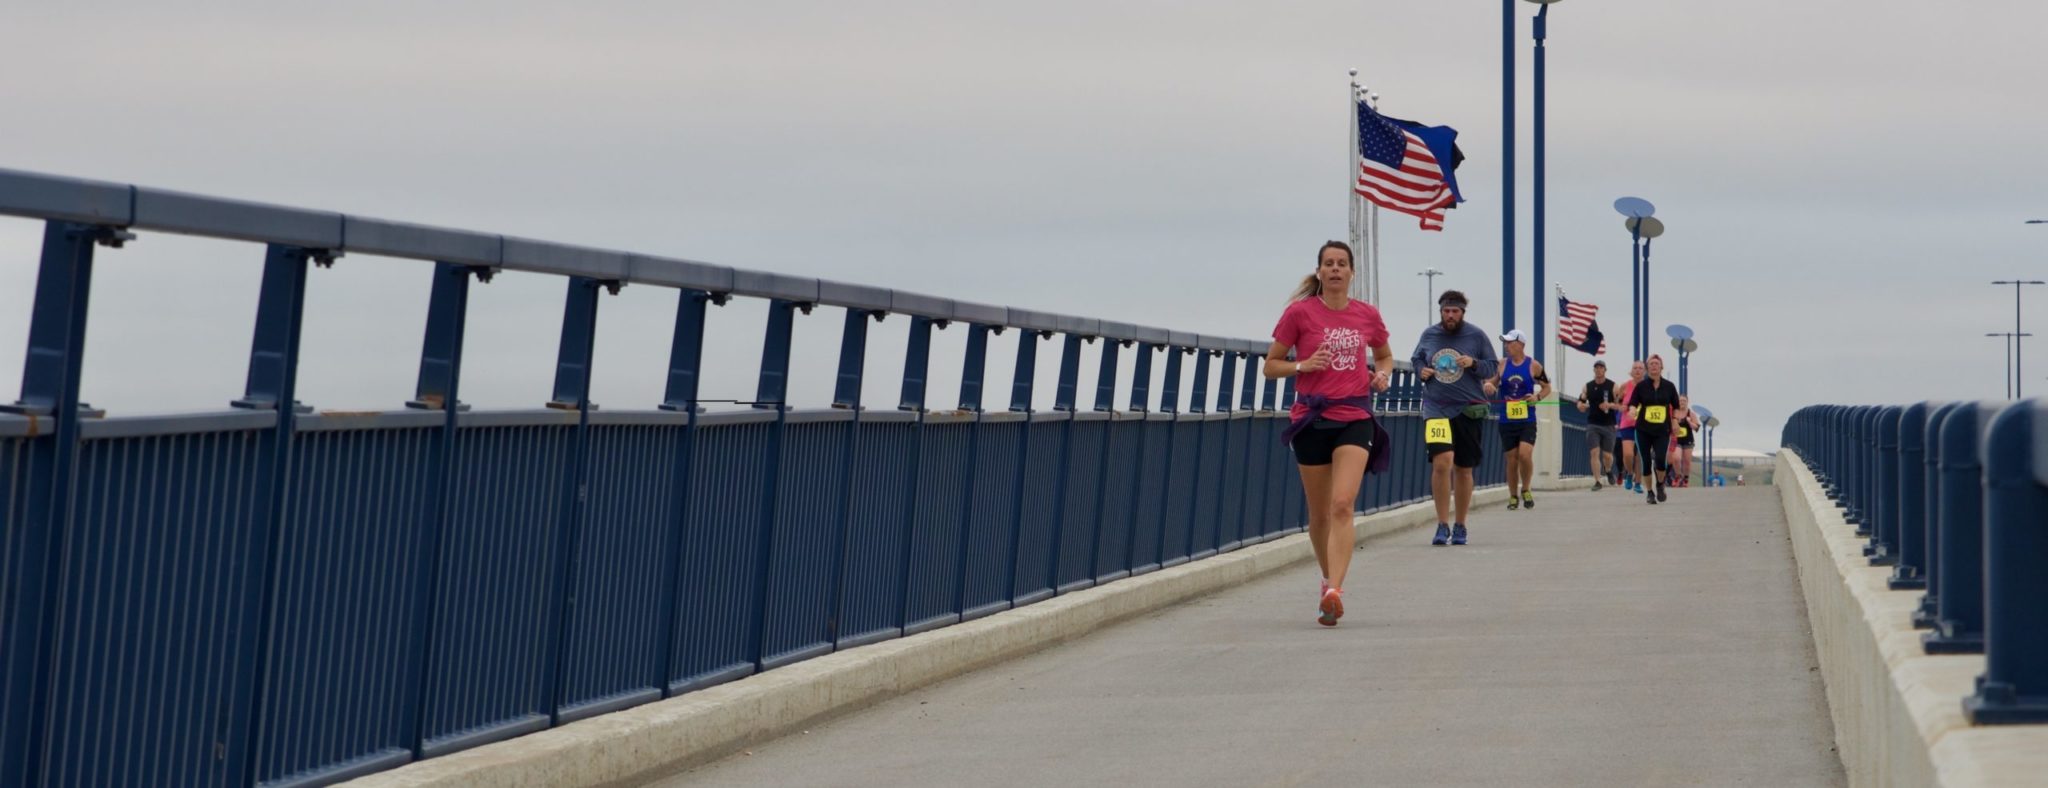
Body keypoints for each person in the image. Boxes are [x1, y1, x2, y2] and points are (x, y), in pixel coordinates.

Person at [1267, 240, 1394, 627]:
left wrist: (1383, 374)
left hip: (1354, 414)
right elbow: (1271, 366)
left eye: (1342, 264)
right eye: (1329, 264)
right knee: (1320, 513)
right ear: (1320, 272)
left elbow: (1384, 353)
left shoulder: (1366, 315)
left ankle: (1336, 590)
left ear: (1352, 273)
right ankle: (1326, 580)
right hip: (1311, 418)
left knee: (1342, 504)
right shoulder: (1299, 314)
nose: (1335, 269)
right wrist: (1302, 365)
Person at [1410, 290, 1498, 546]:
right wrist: (1421, 370)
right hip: (1436, 408)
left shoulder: (1476, 335)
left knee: (1463, 468)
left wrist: (1473, 363)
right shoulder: (1429, 335)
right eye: (1446, 311)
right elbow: (1417, 359)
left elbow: (1492, 367)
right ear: (1441, 312)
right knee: (1442, 462)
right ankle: (1441, 524)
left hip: (1468, 409)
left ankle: (1460, 524)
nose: (1450, 315)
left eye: (1455, 311)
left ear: (1462, 313)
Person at [1491, 329, 1551, 509]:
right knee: (1512, 458)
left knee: (1524, 455)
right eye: (1505, 343)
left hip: (1527, 419)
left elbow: (1546, 387)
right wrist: (1488, 385)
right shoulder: (1502, 364)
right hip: (1507, 419)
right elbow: (1493, 382)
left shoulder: (1534, 365)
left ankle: (1526, 488)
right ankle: (1513, 496)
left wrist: (1537, 398)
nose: (1506, 346)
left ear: (1521, 344)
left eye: (1510, 343)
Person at [1625, 355, 1681, 504]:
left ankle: (1660, 484)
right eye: (1651, 364)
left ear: (1661, 367)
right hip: (1643, 429)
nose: (1654, 366)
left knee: (1661, 460)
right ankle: (1649, 492)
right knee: (1645, 460)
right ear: (1647, 368)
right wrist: (1631, 410)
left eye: (1657, 364)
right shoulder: (1641, 386)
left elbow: (1676, 406)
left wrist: (1675, 421)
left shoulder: (1669, 386)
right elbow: (1633, 403)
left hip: (1662, 430)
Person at [1575, 360, 1619, 491]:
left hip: (1608, 424)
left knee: (1607, 455)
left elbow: (1620, 405)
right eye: (1596, 368)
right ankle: (1597, 481)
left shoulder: (1613, 386)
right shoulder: (1588, 386)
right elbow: (1581, 401)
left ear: (1605, 370)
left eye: (1601, 368)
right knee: (1594, 452)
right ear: (1594, 370)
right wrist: (1580, 406)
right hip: (1593, 423)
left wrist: (1610, 405)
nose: (1599, 370)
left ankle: (1609, 469)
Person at [1614, 361, 1645, 490]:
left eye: (1640, 368)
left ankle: (1638, 483)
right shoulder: (1625, 386)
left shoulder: (1648, 386)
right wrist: (1622, 407)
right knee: (1628, 454)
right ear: (1631, 371)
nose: (1637, 370)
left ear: (1644, 371)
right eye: (1635, 368)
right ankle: (1629, 474)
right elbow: (1617, 402)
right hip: (1627, 423)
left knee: (1640, 456)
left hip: (1644, 424)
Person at [1671, 395, 1701, 487]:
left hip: (1688, 440)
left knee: (1687, 461)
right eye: (1680, 400)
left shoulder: (1691, 414)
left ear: (1687, 402)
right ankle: (1678, 476)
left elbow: (1696, 427)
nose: (1682, 402)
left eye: (1684, 400)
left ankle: (1686, 479)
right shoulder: (1674, 413)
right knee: (1676, 458)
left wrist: (1689, 422)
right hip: (1676, 439)